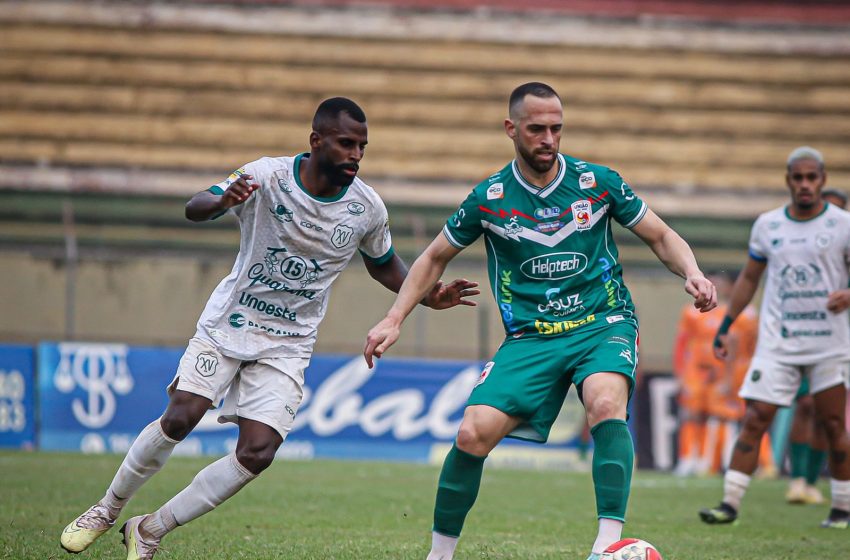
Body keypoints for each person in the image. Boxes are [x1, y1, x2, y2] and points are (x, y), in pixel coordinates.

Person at [59, 97, 479, 559]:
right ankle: (105, 509)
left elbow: (383, 264)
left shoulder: (367, 209)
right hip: (230, 324)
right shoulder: (267, 175)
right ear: (316, 141)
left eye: (362, 145)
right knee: (180, 417)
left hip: (288, 343)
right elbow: (194, 207)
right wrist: (222, 200)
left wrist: (427, 295)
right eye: (345, 144)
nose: (356, 154)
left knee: (257, 452)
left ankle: (151, 529)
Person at [363, 82, 717, 560]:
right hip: (530, 337)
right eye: (537, 129)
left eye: (556, 128)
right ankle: (439, 555)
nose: (549, 139)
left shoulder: (597, 182)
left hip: (602, 322)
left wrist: (692, 272)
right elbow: (432, 257)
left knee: (604, 401)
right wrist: (394, 317)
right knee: (472, 433)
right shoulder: (489, 198)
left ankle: (606, 547)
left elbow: (660, 234)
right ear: (512, 129)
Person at [699, 147, 850, 529]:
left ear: (822, 179)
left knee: (833, 423)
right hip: (778, 341)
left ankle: (842, 508)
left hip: (828, 342)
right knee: (755, 417)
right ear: (787, 180)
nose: (804, 184)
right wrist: (726, 323)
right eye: (797, 178)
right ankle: (729, 503)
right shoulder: (768, 225)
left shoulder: (842, 224)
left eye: (811, 177)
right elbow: (750, 278)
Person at [785, 188, 848, 504]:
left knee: (829, 413)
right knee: (807, 405)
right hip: (806, 335)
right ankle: (797, 478)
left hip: (840, 339)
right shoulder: (801, 248)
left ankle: (811, 481)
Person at [673, 271, 765, 477]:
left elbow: (750, 345)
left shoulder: (743, 314)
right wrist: (680, 373)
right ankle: (689, 458)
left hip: (726, 372)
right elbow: (682, 343)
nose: (716, 286)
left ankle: (720, 461)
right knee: (692, 414)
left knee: (725, 416)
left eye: (720, 283)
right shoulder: (691, 312)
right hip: (696, 371)